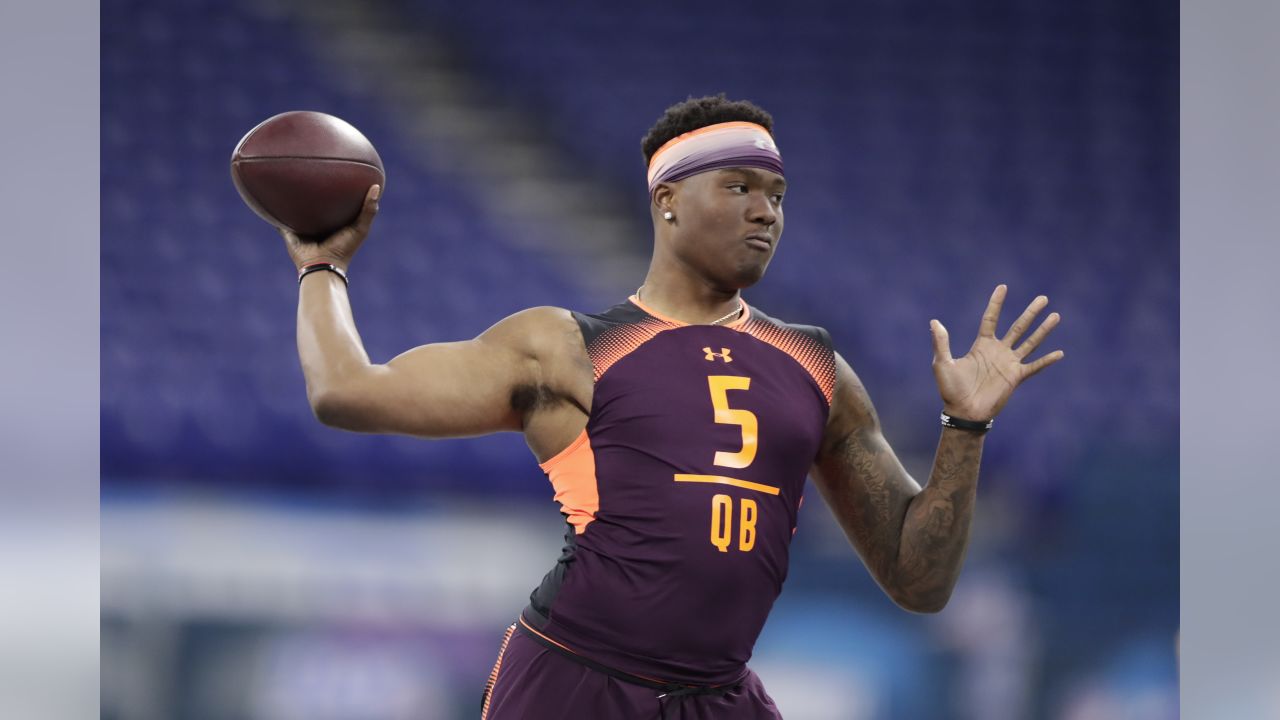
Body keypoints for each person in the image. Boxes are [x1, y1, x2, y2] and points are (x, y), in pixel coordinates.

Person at [279, 94, 1063, 719]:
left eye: (778, 195)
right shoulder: (567, 346)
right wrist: (323, 268)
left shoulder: (815, 365)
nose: (766, 212)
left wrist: (965, 428)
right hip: (577, 685)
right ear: (668, 200)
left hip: (717, 696)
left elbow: (918, 581)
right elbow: (347, 392)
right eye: (740, 187)